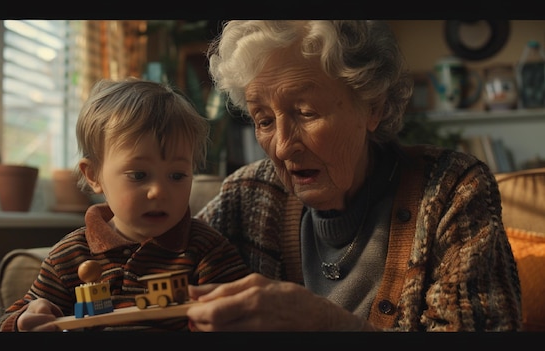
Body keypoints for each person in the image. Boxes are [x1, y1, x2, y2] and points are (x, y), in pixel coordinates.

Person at [185, 20, 522, 331]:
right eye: (264, 121)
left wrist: (324, 323)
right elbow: (153, 270)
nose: (283, 147)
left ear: (372, 106)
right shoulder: (247, 195)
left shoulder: (450, 190)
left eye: (305, 112)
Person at [0, 77, 250, 332]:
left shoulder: (206, 250)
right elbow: (7, 322)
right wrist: (25, 321)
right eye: (139, 175)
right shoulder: (70, 256)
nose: (159, 191)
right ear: (93, 175)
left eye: (177, 176)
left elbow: (246, 316)